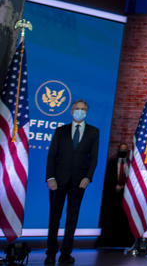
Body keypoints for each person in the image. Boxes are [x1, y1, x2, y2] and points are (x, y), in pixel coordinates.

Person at [45, 99, 100, 265]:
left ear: (87, 112)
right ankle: (50, 253)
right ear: (71, 111)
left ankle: (65, 253)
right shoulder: (60, 131)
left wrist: (88, 177)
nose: (80, 111)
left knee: (72, 218)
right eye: (77, 109)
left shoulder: (93, 132)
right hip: (58, 181)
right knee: (54, 217)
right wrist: (50, 177)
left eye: (83, 109)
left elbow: (94, 158)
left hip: (79, 182)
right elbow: (52, 156)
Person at [97, 142, 134, 247]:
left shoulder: (130, 164)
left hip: (126, 195)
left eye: (125, 149)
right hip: (112, 195)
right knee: (111, 218)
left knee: (124, 219)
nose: (123, 151)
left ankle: (125, 241)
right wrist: (115, 186)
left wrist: (124, 187)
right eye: (121, 149)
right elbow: (107, 178)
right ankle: (108, 241)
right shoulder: (112, 162)